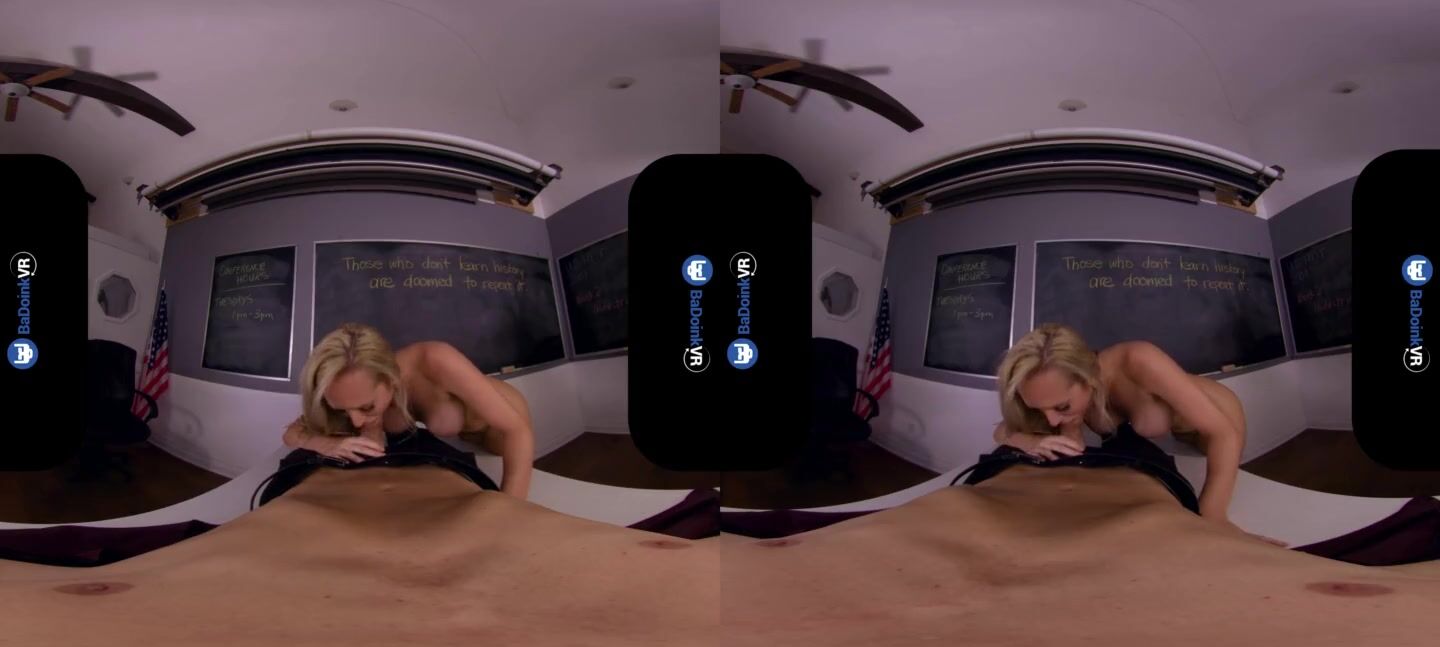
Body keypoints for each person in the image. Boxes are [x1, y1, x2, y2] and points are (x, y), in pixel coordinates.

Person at [989, 322, 1281, 545]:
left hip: (1222, 422)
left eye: (1061, 407)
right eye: (1040, 410)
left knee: (1202, 525)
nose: (1051, 419)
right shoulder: (1064, 400)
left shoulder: (1138, 360)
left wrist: (1212, 517)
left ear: (1087, 378)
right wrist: (1033, 440)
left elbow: (1223, 434)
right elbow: (1005, 431)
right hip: (1180, 439)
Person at [281, 322, 534, 499]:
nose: (355, 421)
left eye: (366, 407)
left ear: (391, 380)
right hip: (465, 440)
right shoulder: (354, 391)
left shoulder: (436, 360)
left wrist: (509, 512)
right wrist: (325, 444)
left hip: (500, 432)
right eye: (343, 410)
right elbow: (292, 434)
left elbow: (517, 431)